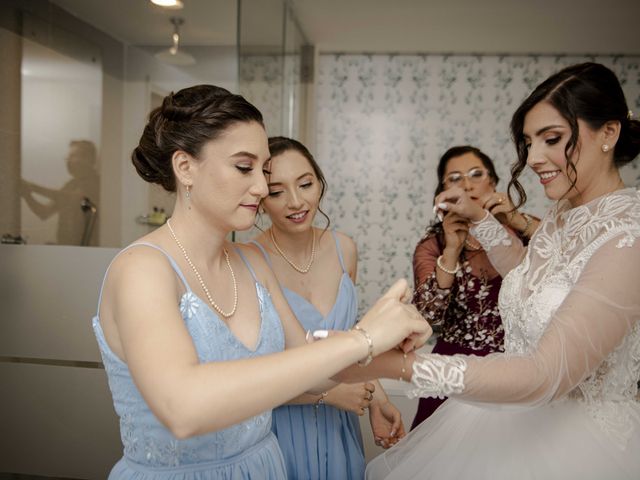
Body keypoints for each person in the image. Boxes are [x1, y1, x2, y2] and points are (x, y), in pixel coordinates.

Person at [92, 84, 429, 479]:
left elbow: (314, 366)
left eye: (262, 170)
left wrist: (391, 348)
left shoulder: (252, 261)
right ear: (185, 167)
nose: (259, 187)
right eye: (243, 167)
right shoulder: (142, 269)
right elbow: (182, 408)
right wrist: (362, 339)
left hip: (266, 466)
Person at [366, 62, 640, 479]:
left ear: (608, 132)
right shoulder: (564, 214)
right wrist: (479, 219)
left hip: (579, 443)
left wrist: (387, 364)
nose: (532, 159)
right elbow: (529, 281)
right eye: (529, 143)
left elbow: (547, 374)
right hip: (512, 422)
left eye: (552, 139)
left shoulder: (628, 232)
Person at [250, 136, 405, 479]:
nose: (296, 201)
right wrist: (328, 394)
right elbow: (247, 379)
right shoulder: (248, 261)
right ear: (259, 199)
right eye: (277, 192)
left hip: (340, 426)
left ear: (319, 182)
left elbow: (352, 341)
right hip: (282, 429)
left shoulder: (343, 249)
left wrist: (378, 400)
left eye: (305, 184)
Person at [410, 145, 539, 429]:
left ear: (492, 182)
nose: (467, 185)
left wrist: (515, 219)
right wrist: (452, 249)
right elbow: (426, 319)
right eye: (455, 178)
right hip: (451, 374)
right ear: (441, 192)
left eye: (476, 174)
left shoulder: (522, 231)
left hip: (513, 372)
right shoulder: (433, 246)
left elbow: (567, 254)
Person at [21, 140, 100, 245]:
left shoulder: (96, 182)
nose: (68, 160)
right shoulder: (70, 185)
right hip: (66, 249)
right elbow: (44, 213)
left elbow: (72, 198)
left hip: (87, 252)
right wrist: (27, 195)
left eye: (73, 156)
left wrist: (32, 187)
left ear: (88, 158)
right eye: (68, 156)